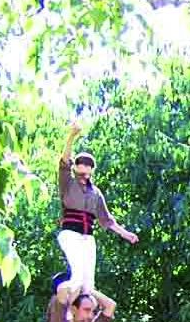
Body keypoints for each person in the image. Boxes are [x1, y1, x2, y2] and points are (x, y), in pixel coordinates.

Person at [57, 122, 138, 296]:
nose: (84, 167)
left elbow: (107, 220)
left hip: (88, 239)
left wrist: (126, 234)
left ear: (92, 169)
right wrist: (72, 136)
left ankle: (83, 320)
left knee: (88, 286)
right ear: (76, 167)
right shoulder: (68, 183)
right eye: (81, 164)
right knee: (77, 276)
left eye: (88, 165)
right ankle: (60, 305)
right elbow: (64, 162)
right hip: (70, 234)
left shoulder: (96, 193)